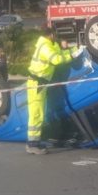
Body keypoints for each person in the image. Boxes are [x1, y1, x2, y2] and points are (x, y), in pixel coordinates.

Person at [25, 26, 78, 154]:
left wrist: (74, 50)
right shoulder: (45, 46)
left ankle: (35, 142)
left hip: (40, 83)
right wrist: (72, 55)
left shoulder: (48, 44)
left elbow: (60, 54)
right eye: (55, 35)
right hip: (37, 83)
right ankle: (32, 144)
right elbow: (56, 60)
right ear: (51, 35)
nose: (56, 37)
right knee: (36, 114)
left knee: (39, 113)